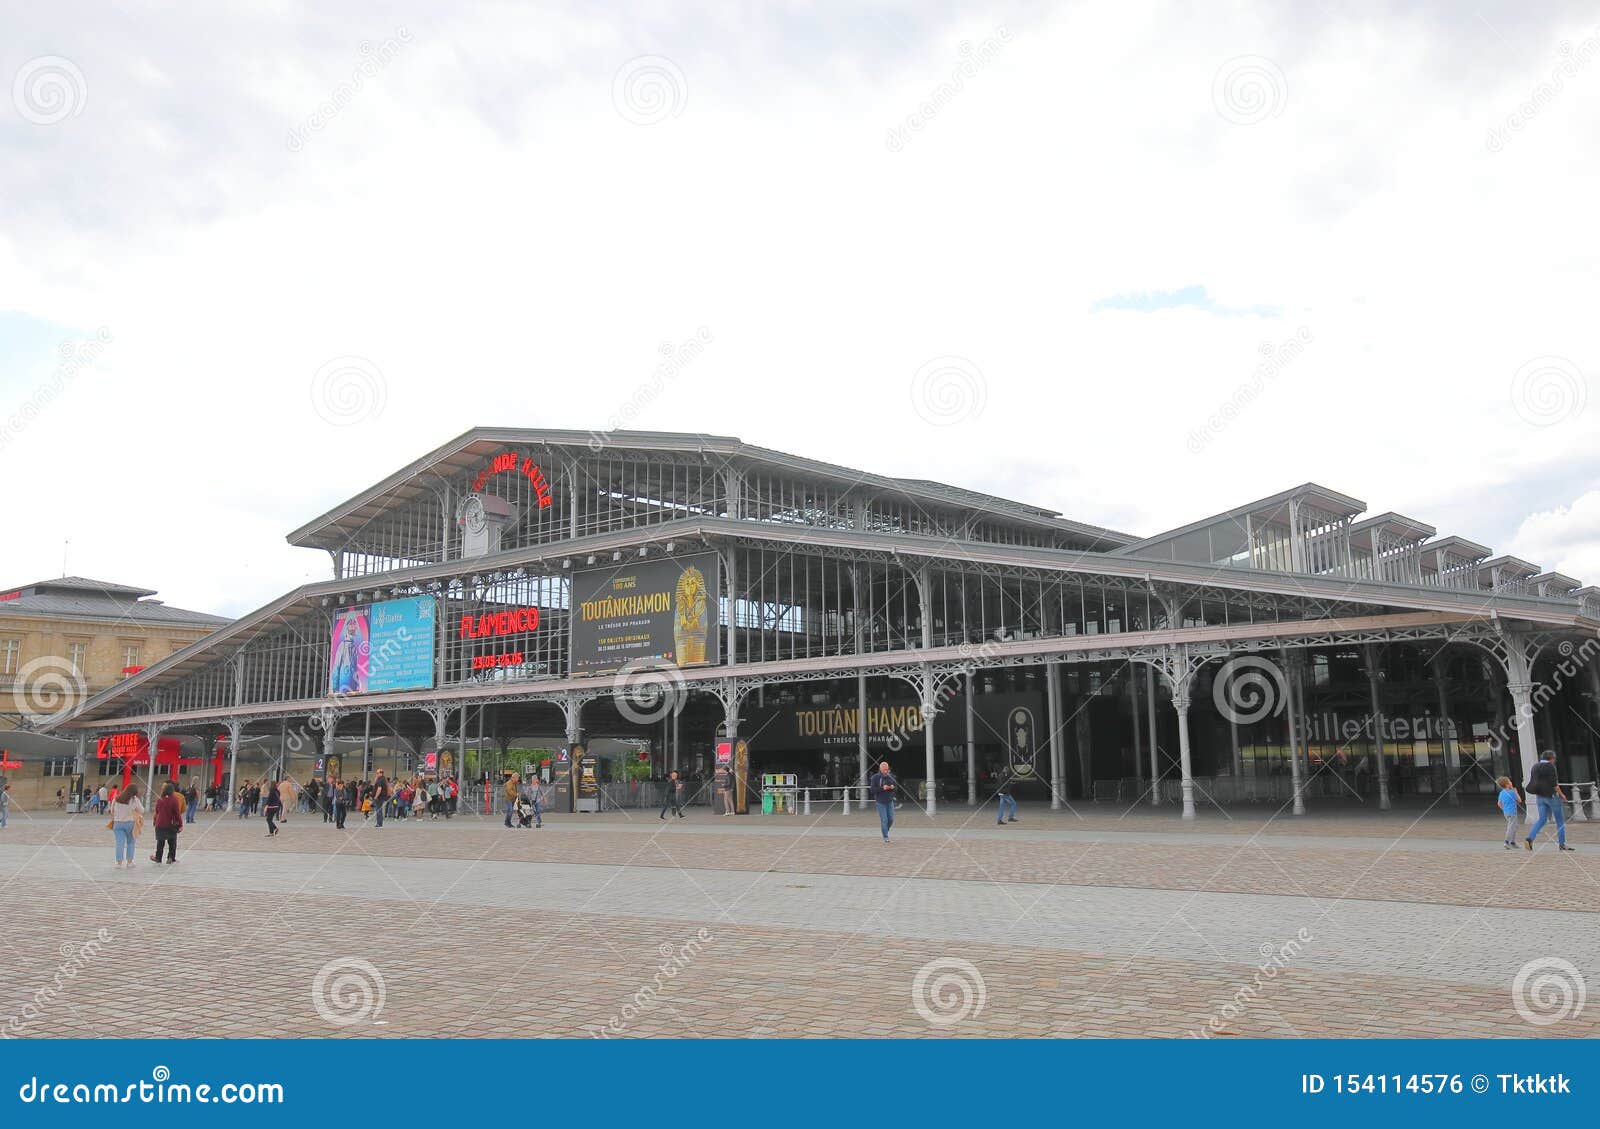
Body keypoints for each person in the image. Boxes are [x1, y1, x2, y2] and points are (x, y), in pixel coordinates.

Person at [1525, 750, 1575, 852]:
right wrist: (1562, 795)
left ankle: (1530, 838)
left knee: (1542, 820)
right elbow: (1554, 784)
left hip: (1539, 797)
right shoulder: (1550, 767)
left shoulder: (1535, 766)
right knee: (1560, 821)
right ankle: (1562, 844)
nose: (1554, 761)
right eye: (1554, 759)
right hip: (1551, 796)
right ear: (1551, 758)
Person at [110, 782, 144, 868]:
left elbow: (111, 810)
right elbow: (142, 810)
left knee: (119, 843)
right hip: (130, 823)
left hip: (117, 823)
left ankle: (119, 862)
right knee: (131, 842)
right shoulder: (134, 800)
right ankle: (129, 862)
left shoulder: (116, 798)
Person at [152, 782, 182, 864]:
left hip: (160, 824)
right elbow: (177, 813)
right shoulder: (174, 800)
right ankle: (171, 857)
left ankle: (158, 858)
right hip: (170, 824)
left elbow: (157, 811)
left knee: (160, 842)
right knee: (172, 842)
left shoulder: (159, 799)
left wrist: (154, 821)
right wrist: (180, 824)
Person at [869, 760, 898, 841]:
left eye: (887, 769)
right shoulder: (875, 777)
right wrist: (882, 788)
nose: (886, 771)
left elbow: (896, 788)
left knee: (891, 819)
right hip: (880, 802)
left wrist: (893, 787)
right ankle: (885, 836)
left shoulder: (891, 776)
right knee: (884, 820)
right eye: (884, 769)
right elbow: (872, 790)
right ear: (880, 769)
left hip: (889, 801)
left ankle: (885, 830)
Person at [1496, 775, 1520, 850]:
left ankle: (1513, 842)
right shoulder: (1511, 792)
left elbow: (1499, 804)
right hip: (1512, 812)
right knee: (1511, 827)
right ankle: (1506, 841)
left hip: (1506, 813)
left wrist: (1504, 809)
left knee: (1514, 826)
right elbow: (1519, 800)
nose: (1511, 782)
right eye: (1509, 781)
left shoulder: (1501, 793)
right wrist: (1515, 791)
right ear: (1507, 784)